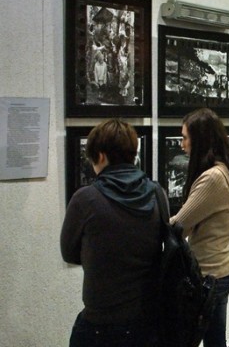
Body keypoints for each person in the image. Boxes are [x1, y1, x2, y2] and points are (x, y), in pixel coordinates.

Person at [60, 119, 161, 347]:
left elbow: (69, 253)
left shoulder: (85, 199)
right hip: (147, 319)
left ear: (101, 156)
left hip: (101, 321)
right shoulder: (157, 193)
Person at [169, 108, 229, 347]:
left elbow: (179, 226)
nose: (182, 144)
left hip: (208, 273)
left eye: (185, 137)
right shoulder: (225, 169)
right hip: (219, 269)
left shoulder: (213, 177)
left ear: (199, 139)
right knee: (215, 340)